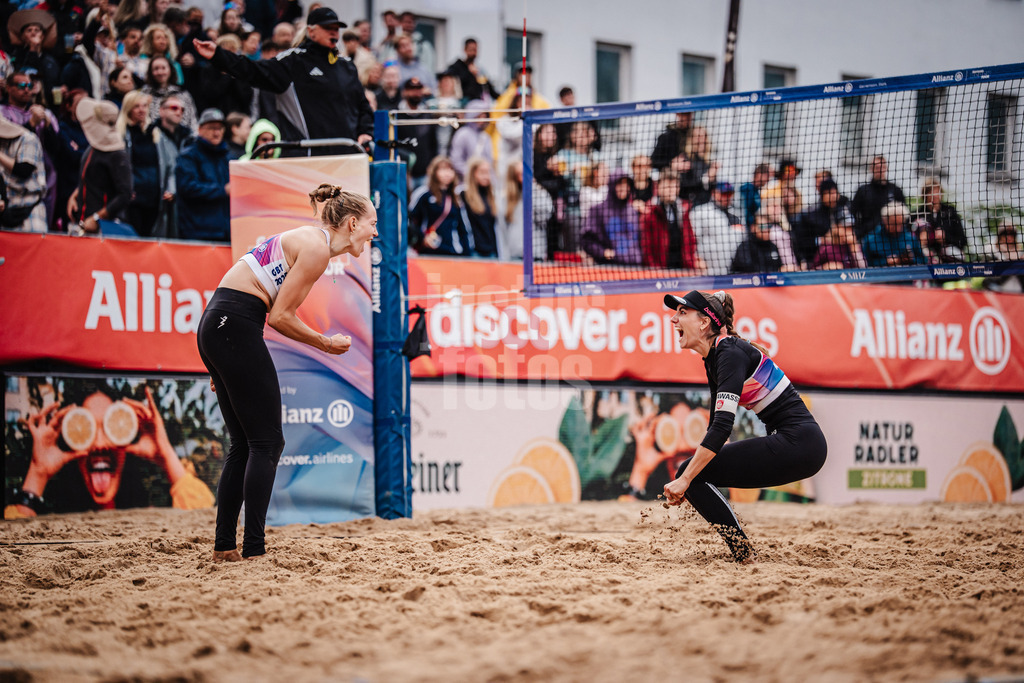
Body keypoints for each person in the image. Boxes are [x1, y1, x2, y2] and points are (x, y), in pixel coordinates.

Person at [196, 183, 376, 560]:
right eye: (373, 224)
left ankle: (225, 547)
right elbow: (279, 317)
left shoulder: (310, 239)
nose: (375, 232)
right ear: (353, 222)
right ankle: (253, 548)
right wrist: (326, 344)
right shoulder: (316, 248)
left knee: (246, 444)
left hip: (217, 323)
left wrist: (222, 360)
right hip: (234, 324)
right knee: (267, 443)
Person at [660, 290, 827, 562]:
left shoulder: (729, 353)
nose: (673, 320)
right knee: (692, 472)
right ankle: (743, 552)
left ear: (704, 323)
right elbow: (717, 425)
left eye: (682, 313)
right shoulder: (716, 357)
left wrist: (686, 478)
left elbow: (722, 428)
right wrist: (688, 478)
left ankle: (743, 553)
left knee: (689, 473)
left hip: (800, 444)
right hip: (799, 444)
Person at [4, 382, 215, 519]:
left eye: (110, 428)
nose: (99, 444)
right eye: (85, 429)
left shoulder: (149, 515)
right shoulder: (55, 518)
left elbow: (205, 519)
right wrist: (38, 473)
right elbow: (11, 541)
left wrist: (166, 456)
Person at [192, 7, 374, 155]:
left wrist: (365, 133)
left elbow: (363, 106)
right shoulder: (293, 62)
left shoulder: (347, 67)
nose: (334, 33)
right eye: (328, 28)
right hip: (307, 158)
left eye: (336, 28)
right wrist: (218, 56)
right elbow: (253, 71)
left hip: (348, 157)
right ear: (311, 31)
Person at [67, 97, 133, 235]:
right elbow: (94, 176)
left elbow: (125, 194)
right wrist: (76, 194)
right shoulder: (92, 147)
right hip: (83, 222)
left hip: (105, 228)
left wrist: (98, 218)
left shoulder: (117, 154)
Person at [175, 108, 231, 241]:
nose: (216, 132)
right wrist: (222, 190)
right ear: (200, 129)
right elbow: (187, 187)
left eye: (220, 128)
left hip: (225, 232)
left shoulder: (228, 157)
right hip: (198, 233)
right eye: (212, 128)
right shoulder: (188, 156)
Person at [408, 155, 472, 256]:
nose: (447, 173)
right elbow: (410, 219)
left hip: (453, 251)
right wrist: (422, 238)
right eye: (443, 169)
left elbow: (463, 228)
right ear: (434, 172)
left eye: (450, 169)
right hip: (429, 251)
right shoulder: (423, 194)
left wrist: (467, 253)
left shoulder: (456, 197)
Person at [640, 172, 701, 272]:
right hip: (659, 271)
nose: (671, 190)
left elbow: (690, 240)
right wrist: (654, 269)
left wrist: (691, 263)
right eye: (668, 187)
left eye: (674, 187)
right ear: (659, 188)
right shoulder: (650, 212)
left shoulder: (683, 210)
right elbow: (646, 247)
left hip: (682, 269)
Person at [581, 171, 643, 266]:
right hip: (609, 268)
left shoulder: (633, 211)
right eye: (620, 184)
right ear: (612, 185)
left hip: (635, 267)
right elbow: (586, 240)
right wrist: (602, 252)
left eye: (627, 184)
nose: (624, 188)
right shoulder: (598, 210)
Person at [0, 113, 47, 232]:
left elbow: (23, 170)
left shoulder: (27, 139)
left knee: (35, 249)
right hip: (6, 210)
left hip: (29, 207)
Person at [689, 182, 745, 276]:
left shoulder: (737, 215)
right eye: (724, 194)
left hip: (732, 272)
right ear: (714, 193)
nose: (727, 197)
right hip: (707, 272)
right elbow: (691, 239)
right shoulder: (701, 212)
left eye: (730, 194)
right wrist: (696, 259)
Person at [912, 176, 967, 263]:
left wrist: (946, 237)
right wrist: (922, 239)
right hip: (926, 257)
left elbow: (962, 241)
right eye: (931, 192)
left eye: (937, 192)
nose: (934, 196)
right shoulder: (917, 215)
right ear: (925, 195)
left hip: (949, 257)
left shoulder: (950, 213)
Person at [852, 155, 905, 240]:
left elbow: (903, 214)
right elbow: (853, 213)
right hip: (868, 235)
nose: (880, 170)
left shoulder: (895, 190)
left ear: (886, 168)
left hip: (892, 237)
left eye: (882, 167)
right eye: (876, 167)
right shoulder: (863, 191)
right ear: (871, 169)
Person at [861, 200, 926, 268]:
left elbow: (923, 260)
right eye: (894, 224)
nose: (898, 228)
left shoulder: (910, 238)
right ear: (884, 221)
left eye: (900, 224)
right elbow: (865, 264)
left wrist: (911, 260)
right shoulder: (871, 240)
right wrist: (885, 262)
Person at [459, 156, 498, 258]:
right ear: (473, 174)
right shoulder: (463, 195)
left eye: (488, 172)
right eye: (482, 172)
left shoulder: (491, 196)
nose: (486, 176)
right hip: (474, 251)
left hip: (491, 251)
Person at [738, 163, 770, 228]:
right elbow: (745, 210)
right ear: (759, 174)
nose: (768, 180)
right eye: (767, 176)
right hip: (744, 226)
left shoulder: (756, 191)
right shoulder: (747, 189)